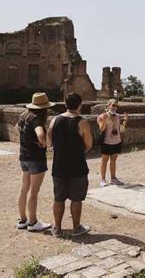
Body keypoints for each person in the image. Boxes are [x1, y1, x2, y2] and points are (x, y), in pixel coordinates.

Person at [48, 92, 92, 237]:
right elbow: (88, 145)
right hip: (77, 165)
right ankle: (76, 227)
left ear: (65, 104)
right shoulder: (82, 123)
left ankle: (57, 229)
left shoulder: (54, 120)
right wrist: (78, 151)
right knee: (76, 199)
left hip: (59, 165)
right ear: (80, 105)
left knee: (58, 198)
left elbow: (51, 139)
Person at [16, 92, 54, 232]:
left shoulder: (23, 117)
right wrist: (43, 143)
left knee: (24, 188)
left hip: (24, 157)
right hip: (36, 159)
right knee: (34, 190)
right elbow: (40, 134)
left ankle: (23, 220)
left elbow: (16, 129)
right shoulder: (36, 119)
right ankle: (33, 222)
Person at [97, 99, 128, 186]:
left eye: (116, 106)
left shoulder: (118, 116)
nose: (115, 107)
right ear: (108, 105)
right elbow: (101, 129)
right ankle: (102, 180)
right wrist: (104, 121)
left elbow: (121, 130)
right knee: (104, 161)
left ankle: (113, 178)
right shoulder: (102, 116)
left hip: (116, 141)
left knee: (113, 160)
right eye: (113, 105)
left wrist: (125, 121)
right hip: (106, 142)